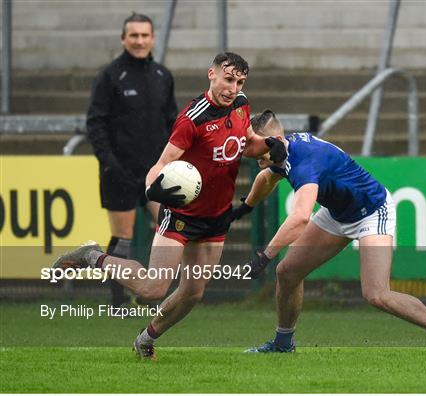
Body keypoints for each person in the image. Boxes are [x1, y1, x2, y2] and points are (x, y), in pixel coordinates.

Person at [53, 53, 288, 360]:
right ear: (211, 75)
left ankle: (145, 339)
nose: (233, 87)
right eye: (228, 79)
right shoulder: (192, 119)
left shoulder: (242, 103)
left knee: (193, 293)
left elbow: (246, 143)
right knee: (152, 289)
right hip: (182, 215)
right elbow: (162, 164)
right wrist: (154, 189)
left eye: (240, 81)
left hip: (216, 217)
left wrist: (270, 145)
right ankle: (91, 255)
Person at [234, 110, 426, 355]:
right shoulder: (282, 152)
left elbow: (300, 217)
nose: (246, 148)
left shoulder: (304, 162)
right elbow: (267, 179)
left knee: (377, 294)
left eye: (251, 141)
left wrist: (265, 256)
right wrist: (246, 206)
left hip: (372, 211)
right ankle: (283, 344)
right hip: (338, 213)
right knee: (288, 272)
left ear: (270, 140)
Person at [86, 13, 178, 308]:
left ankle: (151, 294)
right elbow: (95, 123)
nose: (139, 41)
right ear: (123, 39)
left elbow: (173, 124)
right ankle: (118, 303)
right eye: (134, 35)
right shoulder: (110, 76)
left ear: (153, 38)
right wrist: (110, 163)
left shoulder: (163, 76)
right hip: (119, 172)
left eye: (144, 35)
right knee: (122, 239)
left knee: (168, 229)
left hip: (157, 174)